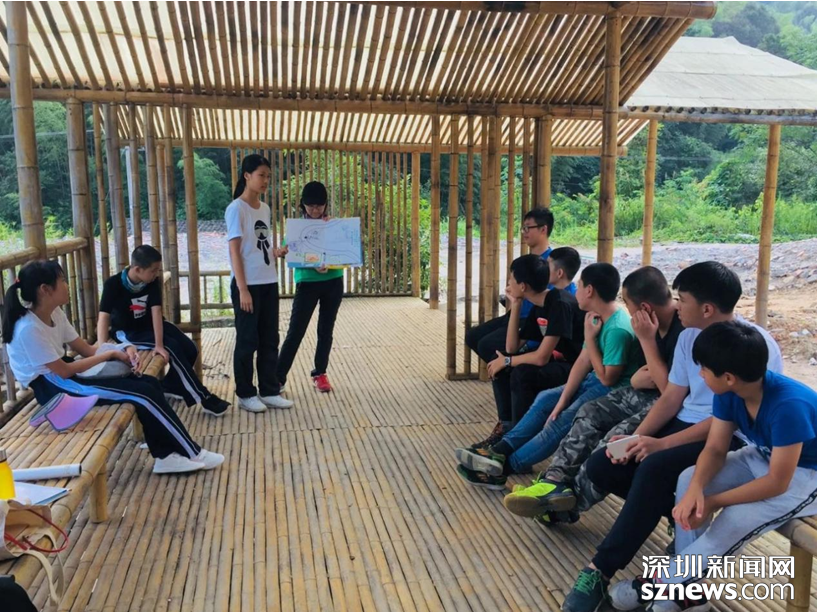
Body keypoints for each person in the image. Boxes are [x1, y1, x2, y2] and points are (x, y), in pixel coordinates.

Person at [560, 262, 783, 612]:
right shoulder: (689, 337)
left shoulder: (754, 346)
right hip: (683, 423)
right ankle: (678, 517)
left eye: (683, 300)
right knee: (603, 465)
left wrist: (659, 445)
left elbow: (728, 421)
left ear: (707, 309)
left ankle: (599, 569)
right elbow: (671, 398)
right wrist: (635, 438)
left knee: (654, 467)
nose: (676, 306)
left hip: (729, 439)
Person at [608, 322, 816, 612]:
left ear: (728, 377)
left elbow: (777, 482)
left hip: (804, 476)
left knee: (734, 519)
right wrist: (697, 489)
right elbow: (716, 448)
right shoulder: (730, 392)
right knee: (688, 478)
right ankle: (686, 592)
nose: (700, 375)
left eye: (704, 369)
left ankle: (658, 584)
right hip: (762, 456)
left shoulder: (788, 406)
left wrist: (713, 501)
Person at [3, 260, 222, 475]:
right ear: (45, 290)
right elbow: (63, 371)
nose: (67, 285)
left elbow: (87, 350)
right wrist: (109, 354)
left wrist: (123, 349)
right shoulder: (28, 329)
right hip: (54, 389)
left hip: (65, 376)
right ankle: (193, 453)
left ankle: (165, 455)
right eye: (62, 281)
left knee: (149, 383)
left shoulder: (55, 313)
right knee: (142, 394)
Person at [503, 266, 684, 522]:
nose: (627, 311)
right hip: (643, 392)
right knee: (588, 411)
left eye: (629, 305)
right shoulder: (651, 324)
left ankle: (564, 507)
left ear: (644, 307)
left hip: (674, 407)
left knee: (611, 443)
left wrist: (646, 341)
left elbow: (669, 392)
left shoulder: (681, 331)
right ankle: (554, 481)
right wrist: (641, 374)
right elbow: (643, 375)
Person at [455, 262, 641, 489]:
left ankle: (504, 468)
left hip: (614, 390)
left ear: (589, 290)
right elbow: (583, 362)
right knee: (546, 399)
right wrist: (562, 397)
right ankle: (499, 450)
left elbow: (607, 379)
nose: (576, 291)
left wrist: (590, 338)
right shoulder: (595, 317)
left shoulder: (617, 329)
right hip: (593, 378)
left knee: (561, 419)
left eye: (579, 286)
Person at [462, 253, 583, 452]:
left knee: (521, 372)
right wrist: (516, 305)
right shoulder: (540, 305)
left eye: (511, 279)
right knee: (501, 362)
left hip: (579, 367)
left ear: (523, 286)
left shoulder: (559, 304)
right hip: (561, 362)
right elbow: (512, 348)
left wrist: (507, 361)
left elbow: (541, 358)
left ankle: (516, 443)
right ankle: (507, 428)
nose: (508, 284)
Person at [98, 245, 231, 416]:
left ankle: (170, 385)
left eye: (157, 270)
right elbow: (103, 317)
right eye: (153, 270)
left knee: (190, 348)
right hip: (127, 332)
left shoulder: (152, 282)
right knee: (172, 346)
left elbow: (156, 312)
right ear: (137, 269)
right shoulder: (113, 284)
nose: (156, 274)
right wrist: (103, 348)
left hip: (149, 327)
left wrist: (159, 344)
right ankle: (204, 397)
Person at [465, 208, 576, 368]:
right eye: (523, 228)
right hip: (518, 315)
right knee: (473, 336)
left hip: (531, 319)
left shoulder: (551, 266)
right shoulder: (528, 260)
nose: (524, 232)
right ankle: (504, 368)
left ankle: (508, 367)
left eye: (528, 228)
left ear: (543, 229)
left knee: (488, 345)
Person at [226, 154, 293, 413]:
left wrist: (277, 252)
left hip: (268, 281)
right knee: (247, 340)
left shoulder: (264, 208)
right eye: (261, 175)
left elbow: (259, 247)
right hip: (248, 284)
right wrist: (242, 289)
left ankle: (269, 390)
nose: (265, 180)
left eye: (268, 176)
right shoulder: (236, 209)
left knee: (269, 338)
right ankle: (245, 393)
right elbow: (235, 252)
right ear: (247, 175)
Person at [277, 181, 344, 394]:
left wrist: (334, 233)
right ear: (302, 205)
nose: (315, 210)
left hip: (333, 280)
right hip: (307, 282)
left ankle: (320, 372)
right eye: (310, 206)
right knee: (296, 331)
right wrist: (286, 251)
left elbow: (344, 252)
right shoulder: (297, 227)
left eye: (319, 205)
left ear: (326, 204)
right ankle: (278, 377)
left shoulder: (333, 225)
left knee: (326, 330)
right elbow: (289, 250)